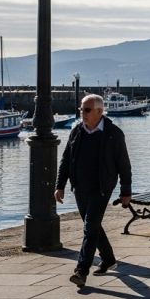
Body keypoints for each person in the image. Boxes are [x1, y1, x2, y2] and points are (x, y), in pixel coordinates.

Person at [55, 94, 132, 287]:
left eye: (86, 110)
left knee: (89, 227)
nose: (82, 113)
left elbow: (124, 164)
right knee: (93, 226)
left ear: (99, 111)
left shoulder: (114, 133)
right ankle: (108, 259)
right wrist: (60, 185)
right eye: (81, 109)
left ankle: (81, 271)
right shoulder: (77, 131)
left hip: (101, 188)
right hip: (80, 188)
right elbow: (65, 160)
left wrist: (126, 191)